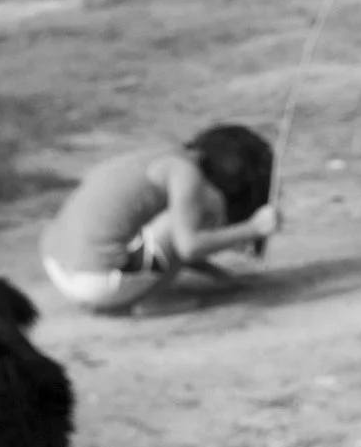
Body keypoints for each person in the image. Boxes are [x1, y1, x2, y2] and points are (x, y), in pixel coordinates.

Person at [38, 125, 280, 314]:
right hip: (94, 284)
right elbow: (188, 246)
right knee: (193, 215)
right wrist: (254, 228)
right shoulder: (187, 175)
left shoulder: (162, 157)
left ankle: (140, 289)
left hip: (57, 266)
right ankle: (153, 300)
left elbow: (156, 240)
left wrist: (219, 275)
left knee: (179, 217)